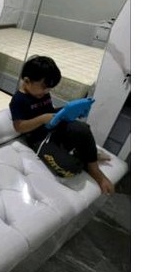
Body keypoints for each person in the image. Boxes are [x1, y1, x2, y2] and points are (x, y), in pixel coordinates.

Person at [9, 55, 114, 194]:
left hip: (54, 127)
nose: (47, 92)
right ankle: (86, 158)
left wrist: (69, 112)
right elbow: (19, 127)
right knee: (70, 168)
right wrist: (42, 119)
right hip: (38, 137)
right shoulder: (18, 100)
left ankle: (94, 169)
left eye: (49, 89)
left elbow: (50, 111)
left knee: (82, 128)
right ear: (27, 81)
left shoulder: (42, 93)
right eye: (44, 88)